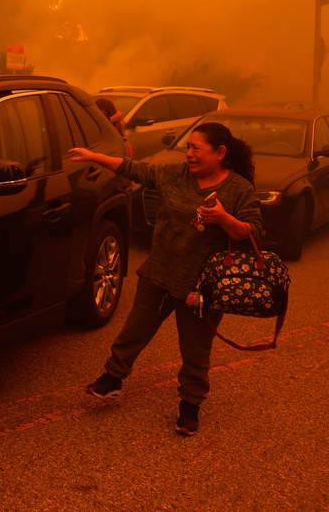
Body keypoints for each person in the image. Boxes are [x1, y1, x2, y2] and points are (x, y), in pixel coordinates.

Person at [68, 121, 262, 436]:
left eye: (196, 148)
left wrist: (223, 218)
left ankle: (190, 407)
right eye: (187, 147)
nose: (189, 154)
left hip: (202, 290)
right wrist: (94, 157)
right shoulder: (174, 175)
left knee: (196, 351)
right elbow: (135, 169)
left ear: (220, 153)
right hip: (159, 274)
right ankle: (112, 379)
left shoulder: (239, 189)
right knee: (133, 331)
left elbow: (253, 234)